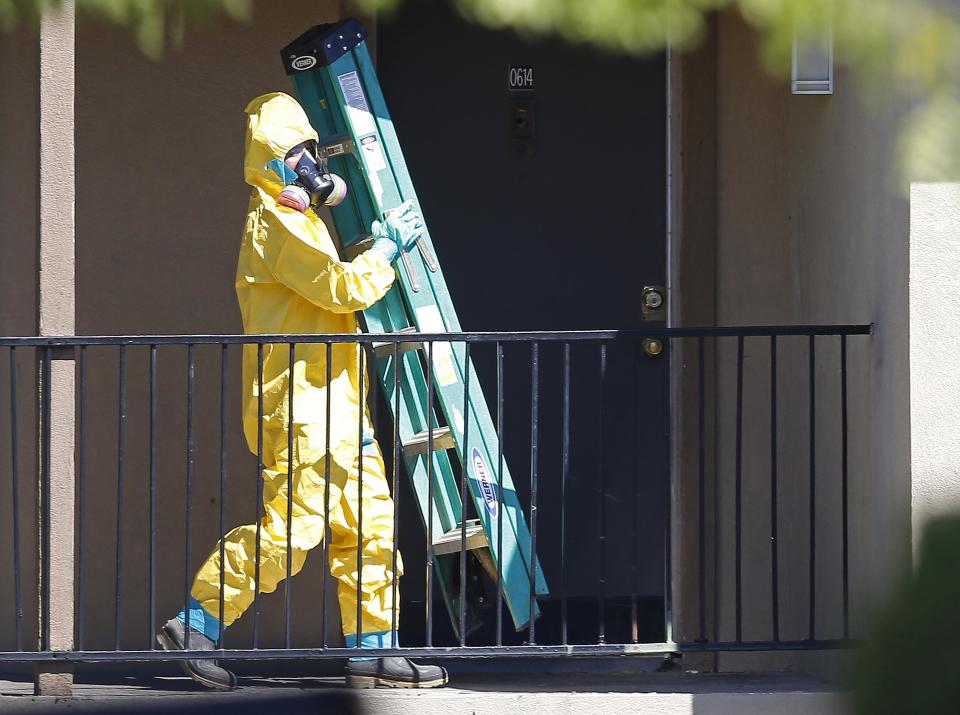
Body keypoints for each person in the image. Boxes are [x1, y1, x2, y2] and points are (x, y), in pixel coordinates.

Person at [155, 92, 447, 691]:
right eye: (297, 153)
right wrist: (386, 251)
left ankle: (375, 648)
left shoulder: (303, 218)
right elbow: (338, 290)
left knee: (370, 526)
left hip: (337, 398)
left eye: (312, 150)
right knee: (294, 528)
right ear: (271, 160)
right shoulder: (276, 220)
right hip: (300, 401)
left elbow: (326, 294)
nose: (309, 163)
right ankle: (196, 623)